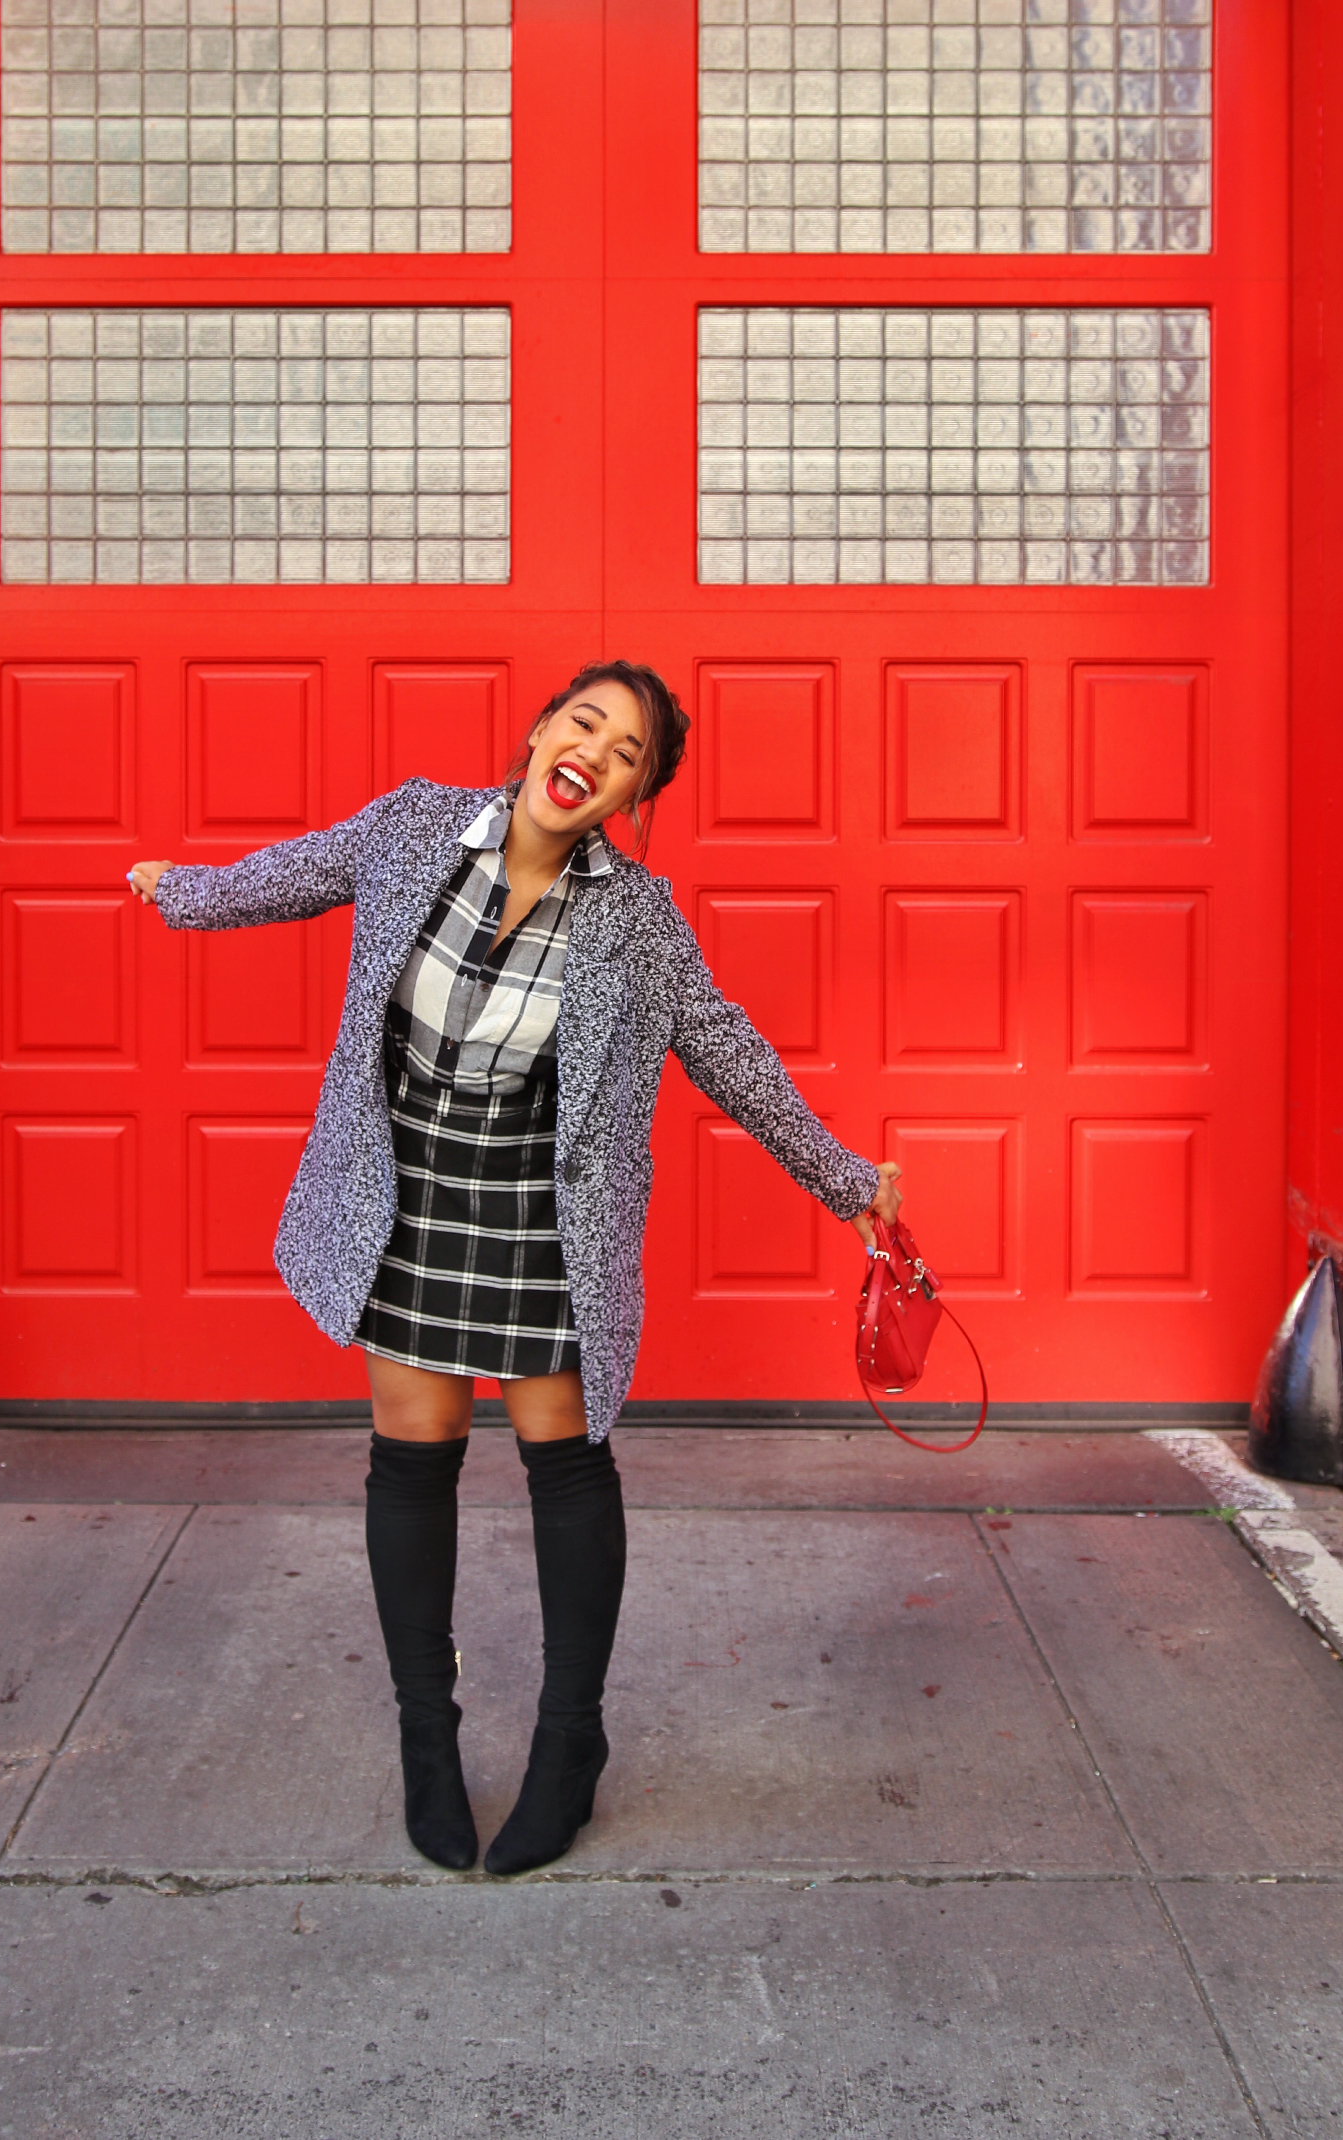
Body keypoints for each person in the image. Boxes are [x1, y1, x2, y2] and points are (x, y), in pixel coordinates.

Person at [128, 660, 899, 1875]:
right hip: (410, 1199)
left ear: (630, 794)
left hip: (542, 1216)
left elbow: (727, 1048)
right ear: (540, 731)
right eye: (583, 720)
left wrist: (844, 1180)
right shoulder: (416, 825)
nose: (595, 747)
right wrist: (185, 892)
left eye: (629, 749)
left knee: (565, 1462)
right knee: (411, 1451)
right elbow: (296, 873)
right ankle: (426, 1747)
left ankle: (566, 1747)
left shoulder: (635, 922)